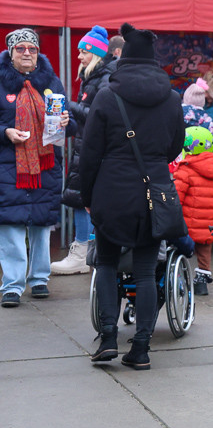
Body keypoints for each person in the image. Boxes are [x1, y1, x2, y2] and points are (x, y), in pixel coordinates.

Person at [79, 23, 185, 368]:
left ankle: (109, 337)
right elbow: (175, 146)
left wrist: (87, 193)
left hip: (112, 190)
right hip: (154, 190)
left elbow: (90, 151)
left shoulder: (108, 95)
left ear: (123, 58)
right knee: (144, 269)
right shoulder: (171, 98)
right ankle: (141, 349)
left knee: (107, 262)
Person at [0, 28, 74, 307]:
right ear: (11, 53)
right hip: (8, 166)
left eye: (32, 48)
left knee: (42, 224)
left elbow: (67, 122)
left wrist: (68, 121)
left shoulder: (52, 81)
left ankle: (39, 279)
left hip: (45, 164)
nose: (27, 53)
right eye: (20, 49)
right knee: (10, 226)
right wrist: (5, 131)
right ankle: (12, 285)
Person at [54, 27, 121, 275]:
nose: (79, 56)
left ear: (95, 54)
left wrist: (68, 105)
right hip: (88, 147)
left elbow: (97, 116)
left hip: (95, 150)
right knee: (83, 199)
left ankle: (84, 253)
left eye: (84, 52)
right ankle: (88, 253)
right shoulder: (95, 78)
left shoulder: (103, 79)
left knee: (83, 199)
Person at [172, 126, 213, 296]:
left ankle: (178, 278)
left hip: (186, 222)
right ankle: (202, 281)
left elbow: (176, 198)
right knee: (204, 252)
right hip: (208, 222)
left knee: (176, 249)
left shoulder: (185, 170)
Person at [181, 79, 213, 149]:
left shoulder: (176, 115)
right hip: (202, 158)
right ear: (202, 102)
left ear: (185, 99)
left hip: (179, 158)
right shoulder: (209, 122)